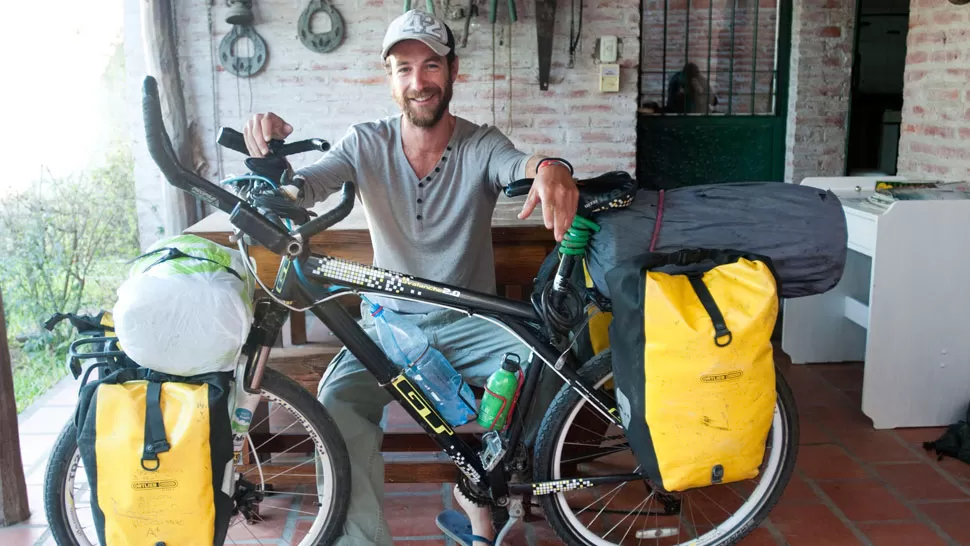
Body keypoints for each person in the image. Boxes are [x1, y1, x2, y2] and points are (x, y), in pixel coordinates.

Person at [242, 9, 579, 546]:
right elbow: (309, 184)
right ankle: (363, 540)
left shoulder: (480, 142)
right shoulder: (365, 141)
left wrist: (549, 166)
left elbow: (518, 164)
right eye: (403, 68)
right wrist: (273, 166)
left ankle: (482, 491)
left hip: (473, 321)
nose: (417, 81)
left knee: (550, 375)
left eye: (429, 66)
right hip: (388, 326)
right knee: (338, 407)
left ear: (452, 71)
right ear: (390, 79)